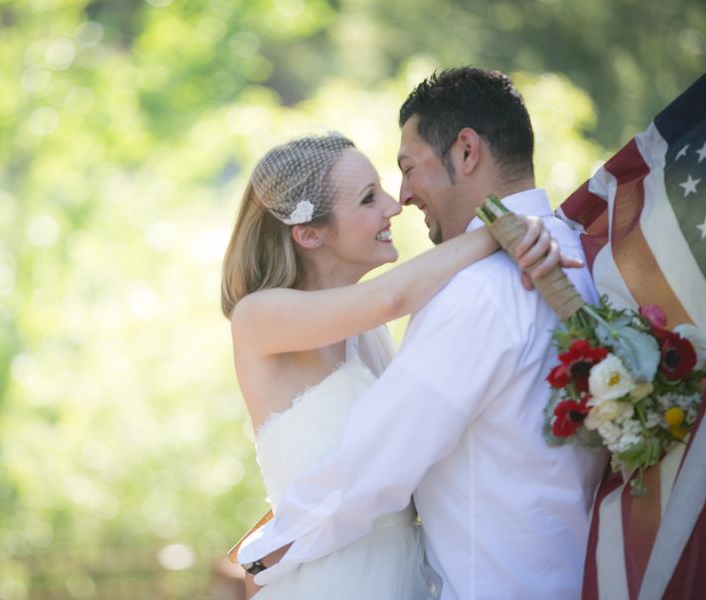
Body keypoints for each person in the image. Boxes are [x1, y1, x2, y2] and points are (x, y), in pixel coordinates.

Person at [236, 67, 607, 599]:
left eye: (406, 171)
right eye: (371, 196)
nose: (400, 199)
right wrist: (498, 231)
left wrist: (270, 546)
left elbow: (384, 457)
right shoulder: (570, 254)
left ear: (465, 152)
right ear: (309, 233)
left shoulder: (479, 289)